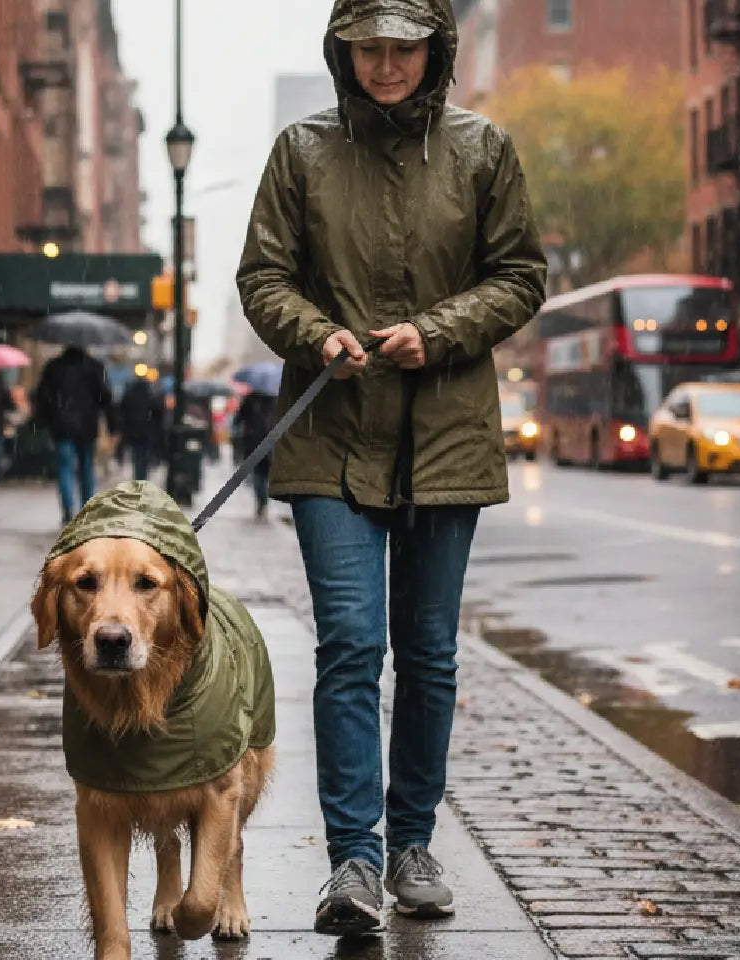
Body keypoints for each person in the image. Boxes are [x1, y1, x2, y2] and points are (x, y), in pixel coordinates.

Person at [236, 0, 546, 936]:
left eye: (403, 47)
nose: (385, 64)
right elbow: (263, 278)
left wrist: (437, 332)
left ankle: (412, 845)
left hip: (447, 434)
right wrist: (318, 334)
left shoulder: (482, 149)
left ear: (433, 48)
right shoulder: (302, 151)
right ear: (344, 49)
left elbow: (520, 274)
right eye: (367, 47)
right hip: (330, 436)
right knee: (350, 646)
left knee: (429, 652)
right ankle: (354, 862)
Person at [32, 344, 119, 523]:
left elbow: (43, 396)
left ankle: (67, 509)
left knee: (65, 467)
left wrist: (45, 420)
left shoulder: (54, 367)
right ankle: (86, 510)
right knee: (86, 467)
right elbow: (105, 398)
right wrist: (114, 426)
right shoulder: (94, 367)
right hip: (87, 426)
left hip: (62, 426)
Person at [232, 389, 277, 519]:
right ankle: (263, 500)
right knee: (261, 475)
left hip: (259, 443)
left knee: (259, 475)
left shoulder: (252, 400)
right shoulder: (273, 400)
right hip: (262, 443)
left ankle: (262, 501)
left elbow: (238, 420)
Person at [118, 375, 163, 482]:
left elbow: (123, 411)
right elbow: (157, 412)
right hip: (146, 431)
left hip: (134, 430)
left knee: (137, 456)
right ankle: (142, 478)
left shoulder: (129, 395)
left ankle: (138, 477)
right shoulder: (150, 395)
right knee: (144, 455)